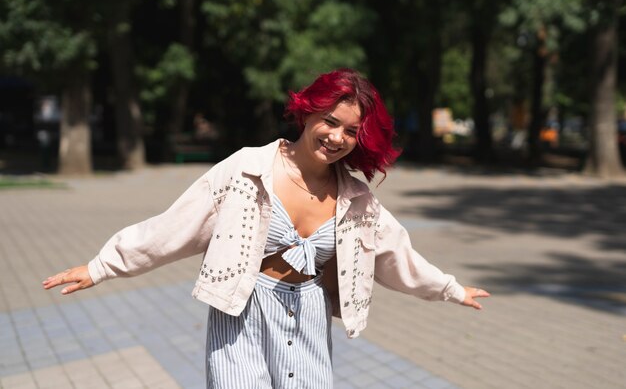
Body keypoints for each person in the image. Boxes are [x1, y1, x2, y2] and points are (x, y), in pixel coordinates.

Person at [43, 69, 489, 389]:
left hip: (309, 312)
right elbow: (174, 227)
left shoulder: (356, 198)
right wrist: (101, 266)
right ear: (308, 113)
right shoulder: (247, 170)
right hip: (242, 307)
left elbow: (397, 257)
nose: (336, 137)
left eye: (350, 132)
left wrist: (451, 289)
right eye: (330, 121)